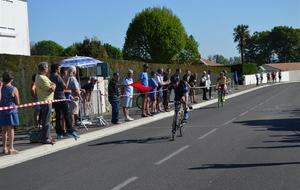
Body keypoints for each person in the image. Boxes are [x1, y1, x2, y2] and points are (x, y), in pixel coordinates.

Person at [49, 63, 79, 140]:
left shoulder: (50, 76)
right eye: (59, 68)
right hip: (61, 97)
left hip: (55, 98)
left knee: (58, 116)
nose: (60, 70)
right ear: (56, 69)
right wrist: (68, 78)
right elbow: (65, 87)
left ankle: (59, 133)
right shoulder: (57, 76)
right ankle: (70, 130)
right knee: (67, 114)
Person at [35, 62, 56, 144]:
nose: (48, 69)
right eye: (47, 68)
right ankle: (46, 138)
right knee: (46, 120)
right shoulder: (42, 78)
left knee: (46, 120)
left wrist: (53, 85)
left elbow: (52, 84)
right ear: (44, 69)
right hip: (46, 100)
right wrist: (53, 86)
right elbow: (51, 88)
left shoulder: (40, 76)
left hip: (46, 100)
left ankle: (48, 136)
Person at [0, 72, 20, 154]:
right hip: (11, 111)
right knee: (11, 130)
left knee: (3, 130)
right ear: (11, 79)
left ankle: (4, 148)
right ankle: (11, 148)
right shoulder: (14, 89)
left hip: (2, 111)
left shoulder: (1, 88)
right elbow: (18, 101)